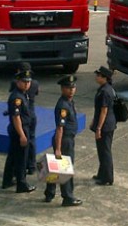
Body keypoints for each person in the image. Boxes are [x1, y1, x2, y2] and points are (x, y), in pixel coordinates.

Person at [44, 74, 83, 207]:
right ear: (62, 89)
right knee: (65, 169)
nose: (71, 90)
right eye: (68, 88)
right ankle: (68, 196)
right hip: (64, 140)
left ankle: (49, 193)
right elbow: (60, 128)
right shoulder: (63, 106)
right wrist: (59, 148)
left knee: (56, 166)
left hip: (66, 139)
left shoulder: (69, 102)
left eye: (73, 87)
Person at [2, 68, 36, 193]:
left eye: (28, 82)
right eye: (24, 81)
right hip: (20, 129)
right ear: (17, 82)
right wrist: (22, 135)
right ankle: (21, 184)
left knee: (12, 156)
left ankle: (7, 180)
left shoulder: (23, 94)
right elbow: (16, 118)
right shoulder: (17, 97)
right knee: (22, 158)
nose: (27, 84)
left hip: (20, 128)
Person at [8, 63, 39, 175]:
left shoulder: (16, 83)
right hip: (32, 114)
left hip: (22, 116)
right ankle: (32, 165)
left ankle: (21, 168)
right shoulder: (35, 83)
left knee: (21, 144)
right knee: (32, 140)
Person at [91, 66, 117, 186]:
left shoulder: (105, 92)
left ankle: (107, 177)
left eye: (99, 75)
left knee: (105, 151)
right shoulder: (107, 89)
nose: (97, 77)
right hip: (108, 124)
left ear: (105, 78)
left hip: (105, 126)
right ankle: (102, 173)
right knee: (102, 150)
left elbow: (104, 111)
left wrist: (99, 128)